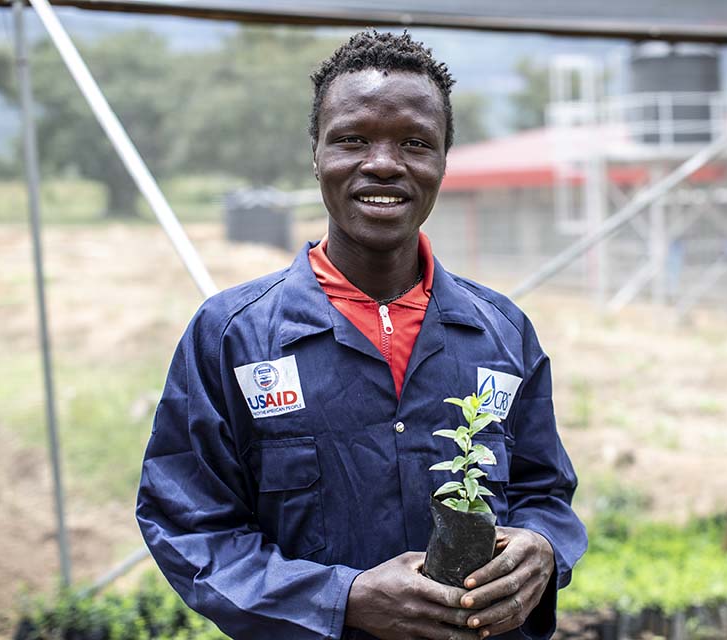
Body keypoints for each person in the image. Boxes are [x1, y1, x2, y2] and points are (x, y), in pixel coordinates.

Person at [136, 30, 586, 640]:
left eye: (414, 143)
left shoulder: (502, 333)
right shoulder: (233, 337)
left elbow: (544, 491)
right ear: (316, 154)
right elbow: (190, 526)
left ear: (443, 162)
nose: (383, 163)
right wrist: (339, 599)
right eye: (352, 139)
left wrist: (543, 545)